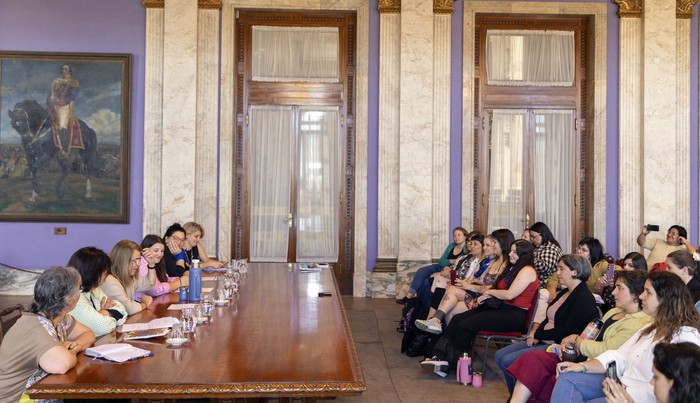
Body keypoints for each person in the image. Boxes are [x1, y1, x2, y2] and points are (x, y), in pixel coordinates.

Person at [552, 271, 700, 403]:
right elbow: (619, 355)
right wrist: (582, 367)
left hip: (639, 397)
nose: (641, 295)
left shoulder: (685, 337)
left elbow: (679, 390)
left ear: (665, 298)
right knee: (568, 377)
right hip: (620, 386)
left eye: (647, 292)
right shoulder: (651, 328)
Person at [507, 270, 651, 403]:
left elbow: (607, 350)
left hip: (599, 368)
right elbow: (591, 333)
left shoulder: (638, 323)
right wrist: (572, 345)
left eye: (620, 288)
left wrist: (577, 340)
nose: (613, 292)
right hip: (581, 355)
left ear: (636, 293)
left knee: (554, 379)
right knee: (532, 359)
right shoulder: (614, 311)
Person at [421, 234, 538, 377]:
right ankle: (439, 356)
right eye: (511, 250)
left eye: (514, 252)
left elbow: (509, 295)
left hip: (513, 315)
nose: (511, 254)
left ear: (523, 254)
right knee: (458, 319)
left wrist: (490, 291)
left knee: (466, 325)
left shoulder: (527, 270)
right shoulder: (515, 268)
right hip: (500, 308)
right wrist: (488, 294)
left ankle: (456, 364)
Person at [495, 254, 600, 393]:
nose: (557, 273)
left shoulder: (583, 299)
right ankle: (521, 396)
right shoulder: (564, 292)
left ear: (575, 272)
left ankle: (520, 398)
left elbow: (566, 332)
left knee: (508, 360)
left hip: (558, 345)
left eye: (561, 269)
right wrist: (535, 333)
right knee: (499, 356)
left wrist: (538, 334)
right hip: (545, 338)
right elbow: (549, 316)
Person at [0, 266, 96, 403]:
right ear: (69, 301)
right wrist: (72, 351)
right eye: (79, 289)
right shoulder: (35, 327)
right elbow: (62, 364)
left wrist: (76, 344)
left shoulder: (60, 319)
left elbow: (88, 334)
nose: (80, 294)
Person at [415, 230, 511, 333]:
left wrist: (467, 285)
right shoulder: (492, 261)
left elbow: (492, 288)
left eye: (492, 243)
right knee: (448, 296)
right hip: (477, 295)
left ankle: (437, 325)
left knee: (448, 297)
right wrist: (461, 283)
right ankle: (442, 330)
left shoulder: (505, 265)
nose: (485, 247)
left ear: (502, 244)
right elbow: (474, 279)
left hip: (487, 301)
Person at [399, 227, 469, 308]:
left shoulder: (467, 249)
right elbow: (441, 261)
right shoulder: (451, 246)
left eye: (459, 235)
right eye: (454, 235)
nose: (456, 237)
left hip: (450, 271)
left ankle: (417, 303)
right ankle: (408, 296)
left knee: (425, 282)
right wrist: (451, 261)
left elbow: (460, 264)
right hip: (440, 267)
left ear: (465, 237)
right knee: (421, 271)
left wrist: (448, 265)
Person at [67, 246, 128, 337]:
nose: (106, 275)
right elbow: (104, 327)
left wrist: (104, 312)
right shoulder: (74, 297)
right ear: (93, 273)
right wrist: (103, 315)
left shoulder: (94, 290)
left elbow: (122, 311)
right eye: (105, 272)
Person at [547, 237, 618, 296]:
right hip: (565, 295)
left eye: (583, 250)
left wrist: (611, 279)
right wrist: (552, 294)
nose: (578, 251)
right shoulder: (572, 262)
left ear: (592, 254)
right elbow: (553, 278)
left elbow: (619, 271)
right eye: (578, 248)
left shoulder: (600, 265)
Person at [101, 240, 157, 315]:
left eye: (139, 260)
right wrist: (145, 304)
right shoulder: (110, 281)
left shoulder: (128, 277)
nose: (139, 264)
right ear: (123, 261)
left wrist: (151, 264)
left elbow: (150, 284)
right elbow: (128, 309)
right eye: (135, 260)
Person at [47, 64, 81, 155]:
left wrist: (63, 101)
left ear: (69, 71)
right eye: (62, 69)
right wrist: (50, 100)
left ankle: (65, 151)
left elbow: (73, 95)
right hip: (54, 105)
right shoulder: (56, 82)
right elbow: (52, 94)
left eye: (66, 69)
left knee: (62, 125)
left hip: (65, 107)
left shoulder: (74, 82)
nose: (63, 71)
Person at [529, 222, 563, 289]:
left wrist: (527, 257)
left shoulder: (550, 248)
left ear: (542, 234)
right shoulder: (538, 247)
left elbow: (543, 267)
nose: (532, 240)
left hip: (546, 288)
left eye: (533, 237)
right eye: (531, 237)